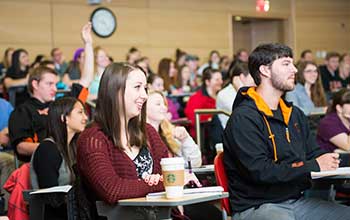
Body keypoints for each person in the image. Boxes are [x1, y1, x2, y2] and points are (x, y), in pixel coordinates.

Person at [223, 43, 350, 220]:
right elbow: (261, 171)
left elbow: (315, 154)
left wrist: (333, 161)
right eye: (286, 64)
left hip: (296, 202)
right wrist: (313, 165)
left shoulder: (294, 115)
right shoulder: (243, 118)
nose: (294, 70)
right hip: (257, 206)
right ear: (265, 70)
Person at [77, 63, 169, 218]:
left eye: (145, 88)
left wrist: (164, 181)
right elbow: (112, 190)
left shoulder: (148, 132)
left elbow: (168, 172)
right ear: (116, 91)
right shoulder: (93, 140)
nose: (145, 95)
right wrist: (160, 183)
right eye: (137, 87)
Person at [8, 22, 93, 162]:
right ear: (35, 84)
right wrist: (54, 149)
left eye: (55, 83)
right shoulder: (23, 111)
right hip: (42, 163)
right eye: (49, 84)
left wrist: (88, 44)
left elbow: (86, 79)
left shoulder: (61, 105)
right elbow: (21, 147)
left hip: (71, 160)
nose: (55, 88)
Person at [29, 97, 87, 219]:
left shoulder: (73, 148)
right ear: (64, 118)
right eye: (80, 112)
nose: (85, 117)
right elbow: (51, 198)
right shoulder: (47, 150)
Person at [146, 90, 202, 168]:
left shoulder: (171, 132)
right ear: (143, 108)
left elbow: (195, 163)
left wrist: (186, 139)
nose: (164, 108)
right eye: (158, 104)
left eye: (164, 104)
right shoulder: (139, 136)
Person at [184, 67, 223, 138]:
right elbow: (193, 119)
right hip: (203, 136)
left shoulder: (222, 96)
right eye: (217, 80)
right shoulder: (196, 98)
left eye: (221, 79)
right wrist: (210, 117)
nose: (221, 82)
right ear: (207, 82)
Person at [216, 62, 255, 128]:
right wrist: (240, 88)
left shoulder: (251, 91)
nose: (255, 81)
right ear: (242, 77)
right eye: (252, 77)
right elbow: (244, 112)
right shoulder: (224, 94)